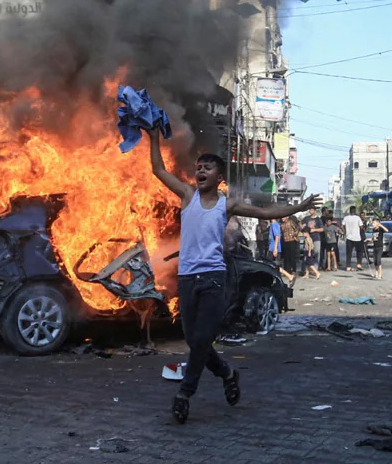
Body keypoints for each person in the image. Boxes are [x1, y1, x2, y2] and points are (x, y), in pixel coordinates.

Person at [145, 129, 321, 424]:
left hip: (214, 278)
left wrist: (300, 207)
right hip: (187, 279)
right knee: (195, 341)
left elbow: (266, 213)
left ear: (219, 177)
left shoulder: (226, 205)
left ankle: (185, 394)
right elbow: (158, 169)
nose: (201, 171)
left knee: (203, 338)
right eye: (199, 167)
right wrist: (153, 138)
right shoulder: (187, 196)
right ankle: (227, 373)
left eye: (208, 167)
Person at [342, 207, 364, 271]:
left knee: (349, 253)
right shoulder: (357, 218)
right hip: (357, 237)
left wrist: (345, 232)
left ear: (350, 211)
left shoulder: (346, 218)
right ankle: (359, 264)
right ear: (355, 211)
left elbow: (342, 226)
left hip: (349, 237)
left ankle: (348, 266)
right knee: (359, 251)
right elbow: (361, 226)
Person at [281, 213, 300, 282]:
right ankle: (287, 270)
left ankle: (294, 270)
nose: (282, 219)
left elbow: (297, 228)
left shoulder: (291, 222)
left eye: (283, 217)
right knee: (286, 257)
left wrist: (294, 234)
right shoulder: (282, 224)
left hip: (292, 241)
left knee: (292, 256)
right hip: (285, 241)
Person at [368, 214, 387, 280]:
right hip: (375, 246)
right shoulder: (374, 230)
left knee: (378, 261)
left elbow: (386, 230)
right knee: (375, 261)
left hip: (380, 247)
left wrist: (380, 225)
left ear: (377, 223)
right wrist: (368, 240)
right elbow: (373, 238)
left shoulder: (380, 229)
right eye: (373, 223)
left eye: (374, 223)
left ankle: (380, 274)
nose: (373, 224)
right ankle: (376, 273)